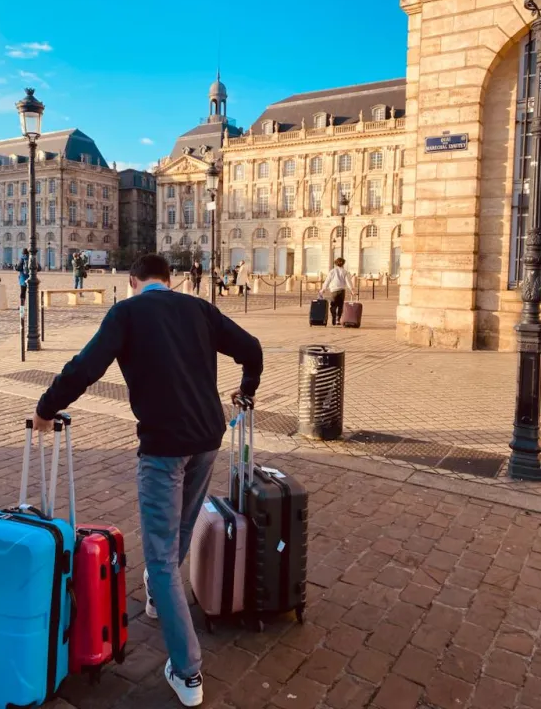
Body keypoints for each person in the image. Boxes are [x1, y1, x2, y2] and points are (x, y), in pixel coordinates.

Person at [32, 254, 263, 707]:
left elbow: (85, 367)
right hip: (207, 436)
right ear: (171, 279)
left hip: (163, 445)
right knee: (178, 531)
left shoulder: (127, 311)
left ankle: (187, 670)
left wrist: (45, 407)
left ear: (133, 281)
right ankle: (162, 599)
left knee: (159, 556)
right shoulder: (198, 308)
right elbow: (251, 348)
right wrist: (248, 389)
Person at [320, 257, 355, 326]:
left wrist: (323, 289)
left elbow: (327, 281)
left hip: (334, 291)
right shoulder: (345, 272)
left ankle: (333, 317)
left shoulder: (332, 271)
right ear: (343, 264)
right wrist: (352, 290)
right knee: (340, 306)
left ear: (335, 263)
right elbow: (348, 282)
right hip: (342, 291)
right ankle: (338, 319)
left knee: (333, 305)